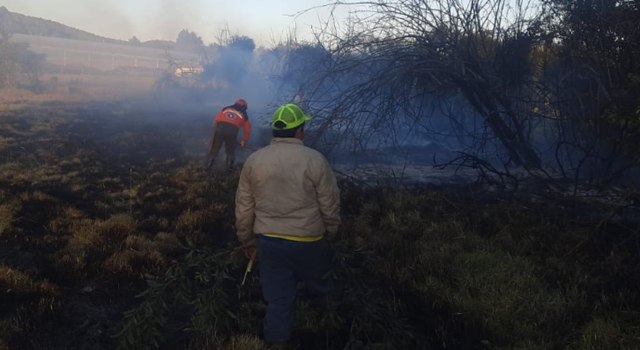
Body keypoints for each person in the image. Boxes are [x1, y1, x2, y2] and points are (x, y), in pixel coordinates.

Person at [235, 103, 341, 346]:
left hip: (270, 245)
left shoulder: (255, 160)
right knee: (322, 292)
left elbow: (243, 208)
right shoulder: (315, 160)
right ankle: (327, 335)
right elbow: (330, 203)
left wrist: (247, 241)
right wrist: (331, 232)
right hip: (311, 242)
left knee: (278, 301)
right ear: (299, 131)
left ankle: (277, 343)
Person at [207, 98, 251, 169]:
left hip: (220, 128)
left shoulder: (225, 109)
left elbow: (216, 120)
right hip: (232, 132)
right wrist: (244, 140)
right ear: (244, 107)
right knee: (230, 150)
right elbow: (247, 129)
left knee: (215, 147)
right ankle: (229, 169)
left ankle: (209, 166)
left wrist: (215, 132)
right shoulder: (244, 115)